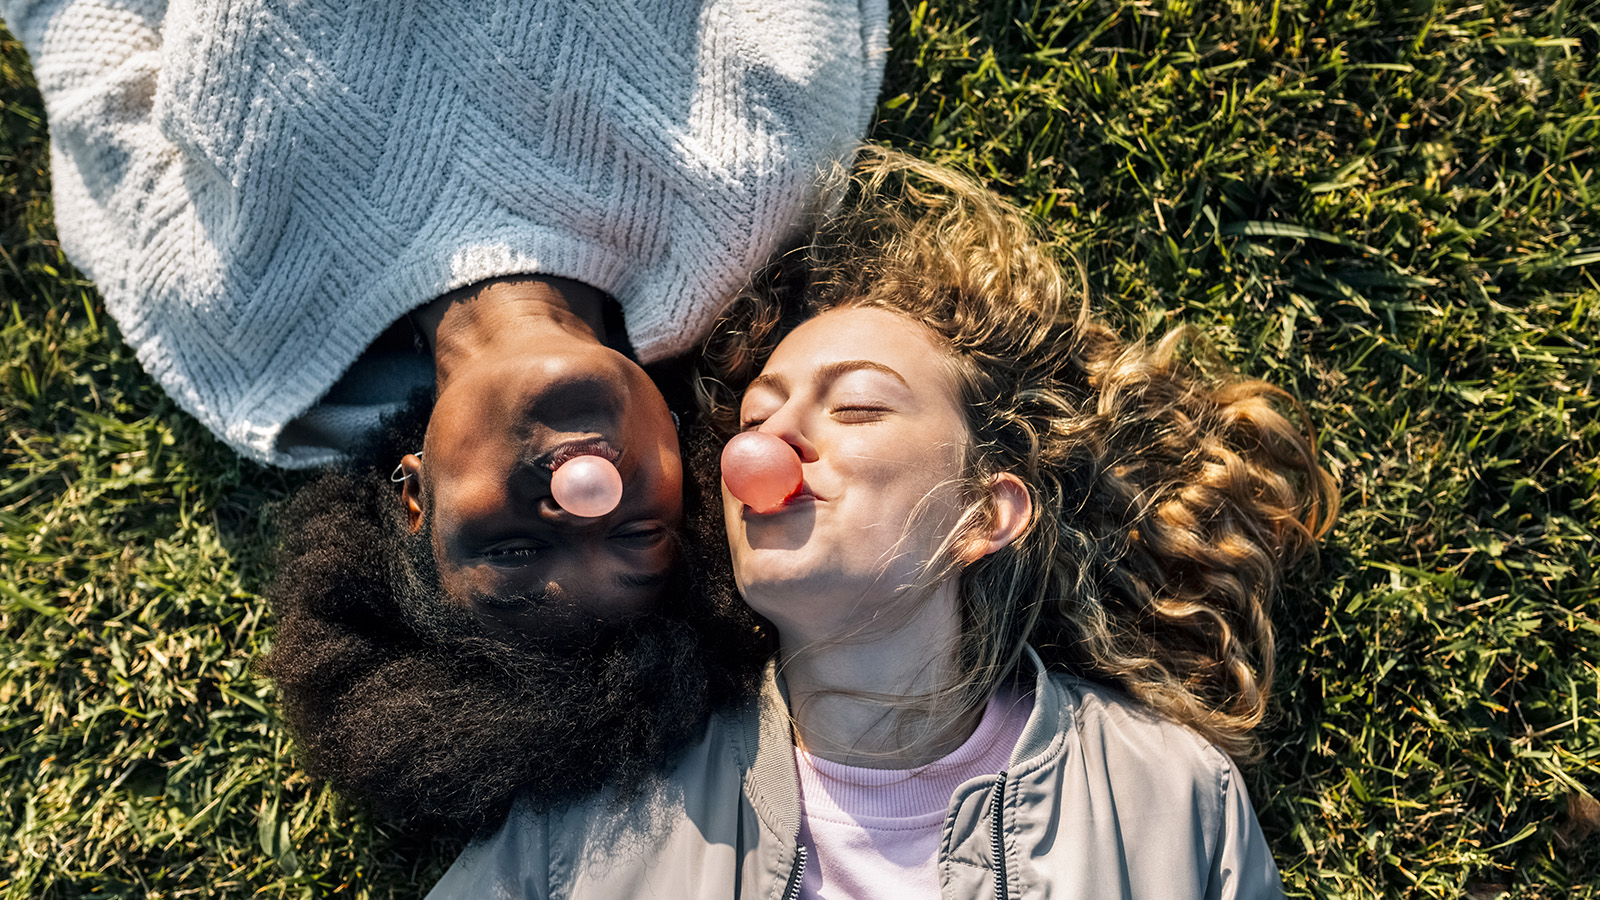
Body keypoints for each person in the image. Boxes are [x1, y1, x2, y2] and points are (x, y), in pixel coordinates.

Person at [2, 0, 887, 826]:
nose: (588, 496)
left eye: (509, 551)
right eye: (637, 539)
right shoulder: (755, 185)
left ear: (414, 499)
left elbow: (77, 36)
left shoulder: (230, 324)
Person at [424, 147, 1338, 898]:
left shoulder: (1171, 796)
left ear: (986, 511)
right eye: (753, 419)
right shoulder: (601, 806)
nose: (771, 443)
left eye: (856, 407)